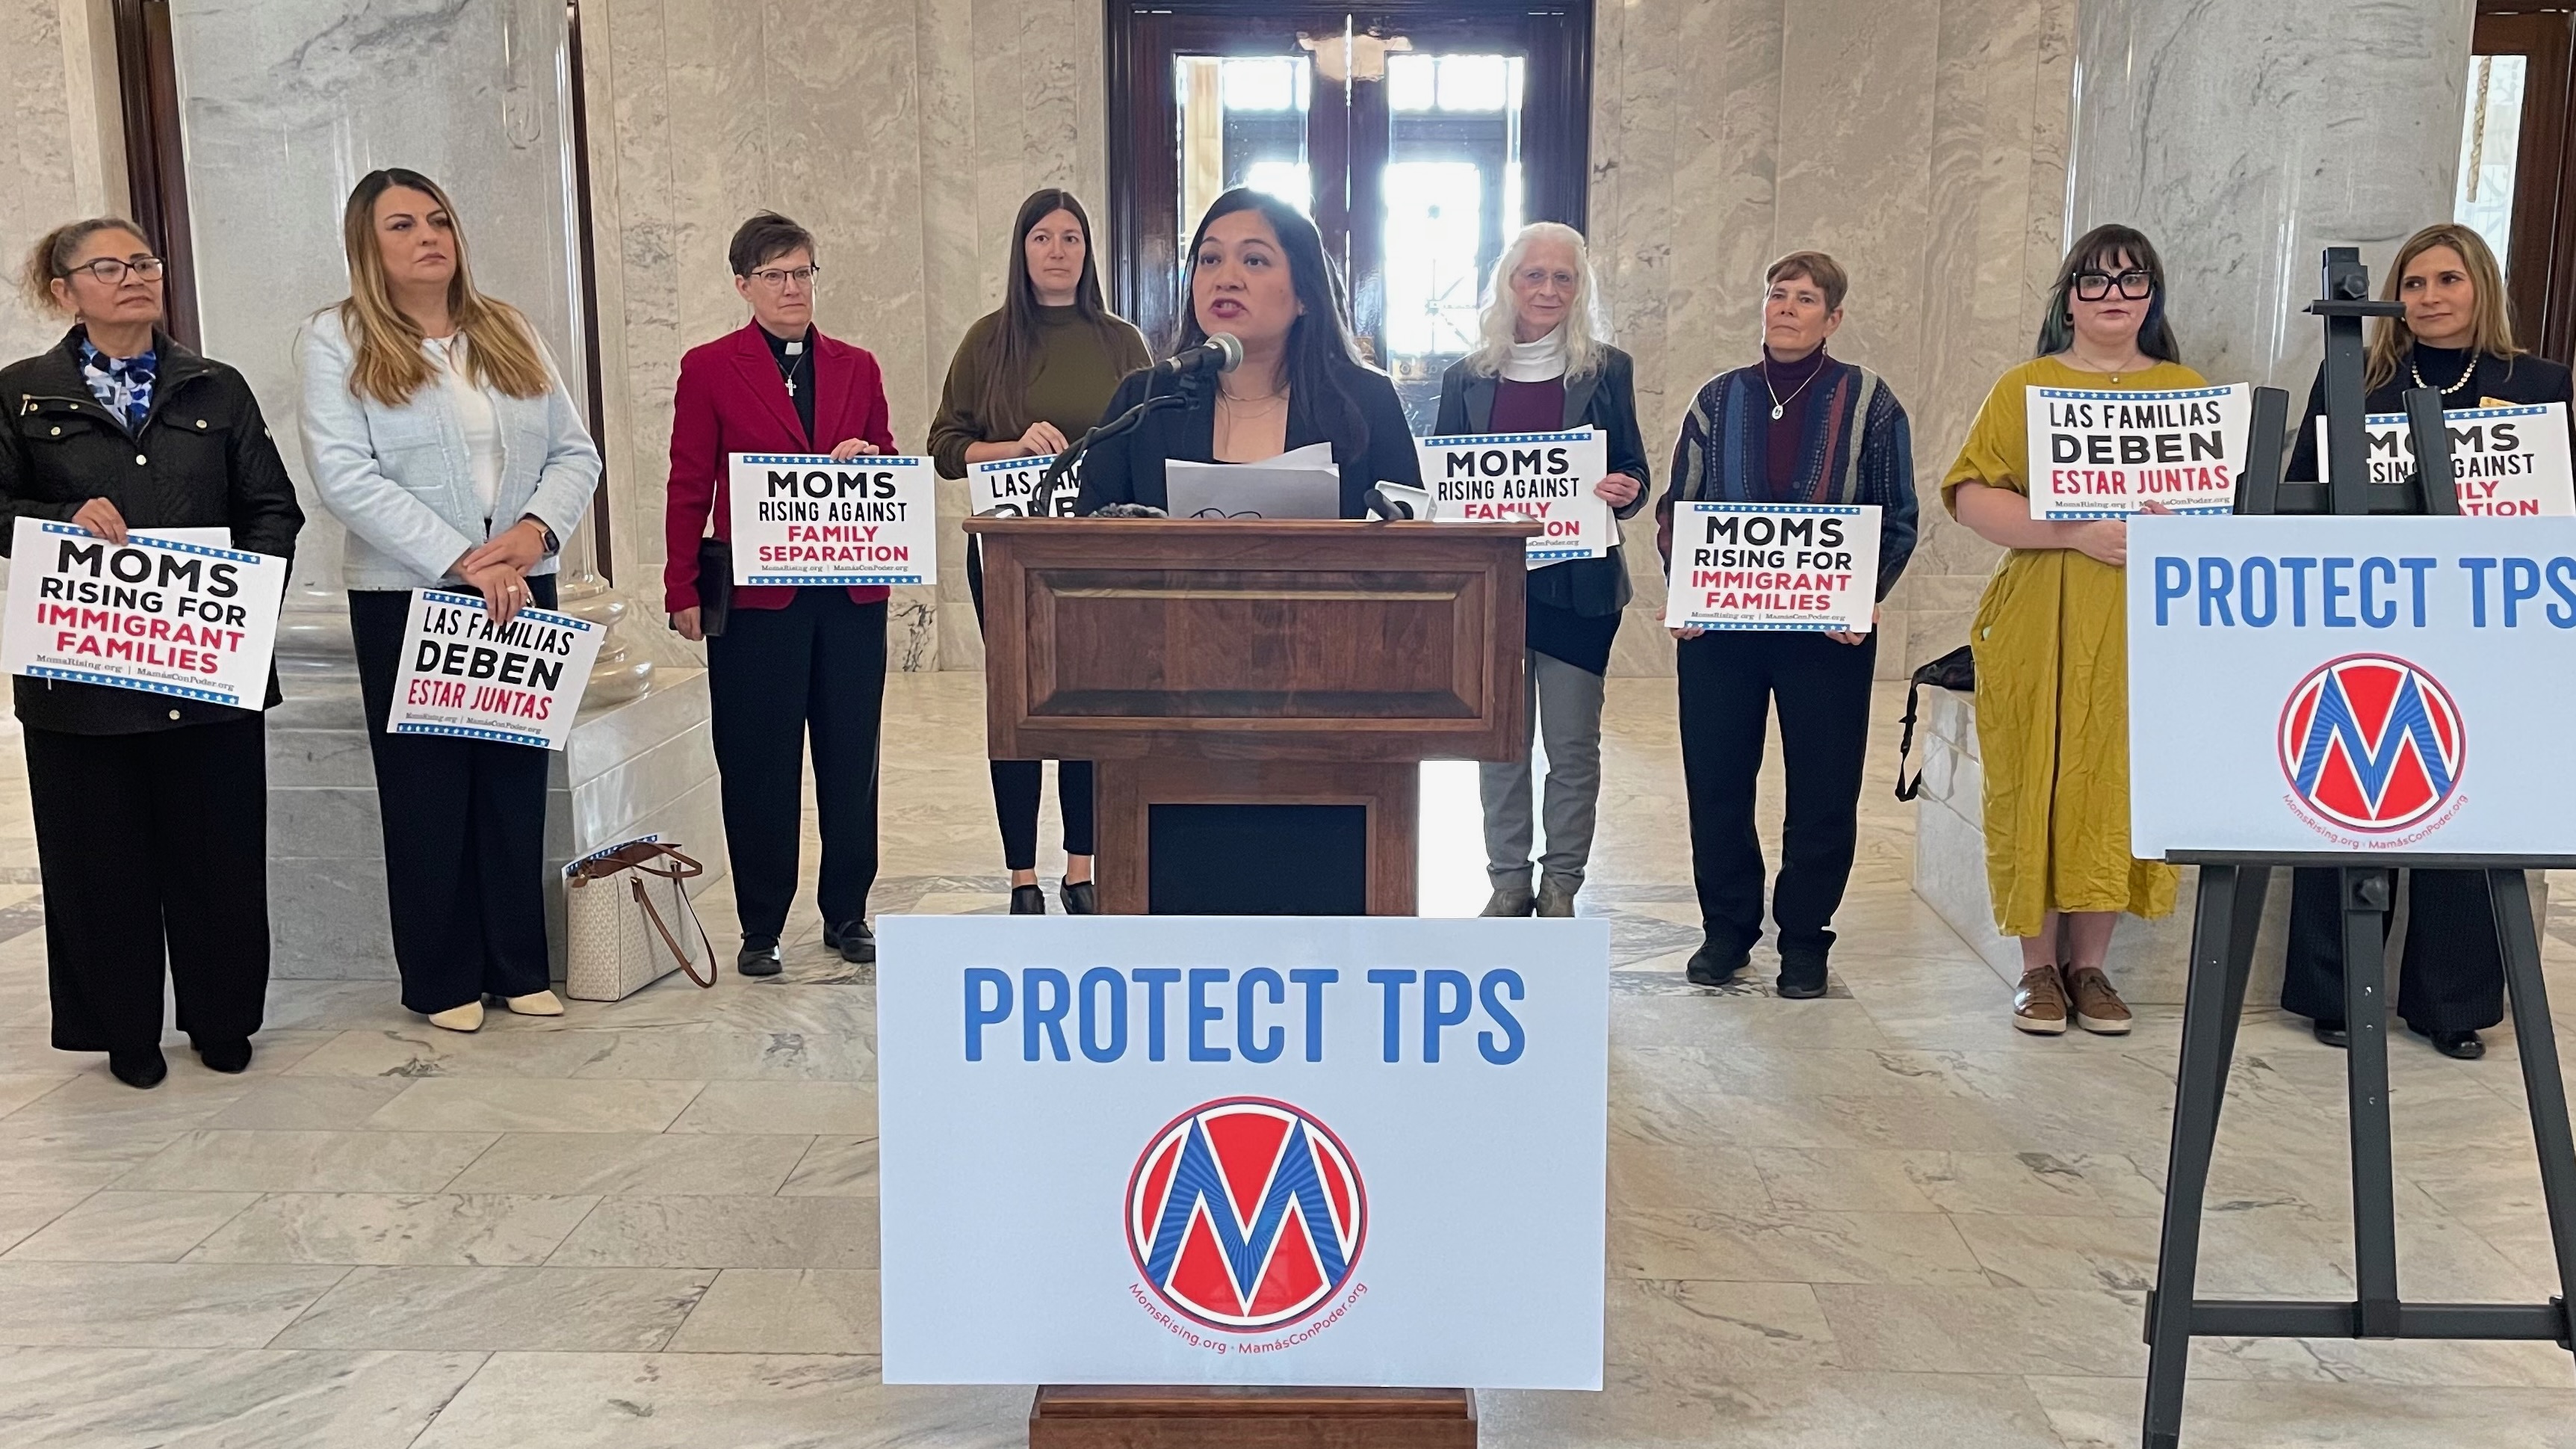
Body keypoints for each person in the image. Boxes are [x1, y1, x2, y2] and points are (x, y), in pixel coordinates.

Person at [0, 218, 303, 1087]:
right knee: (100, 863)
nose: (133, 277)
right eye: (108, 266)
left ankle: (222, 1020)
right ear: (64, 291)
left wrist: (245, 607)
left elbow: (272, 508)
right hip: (82, 679)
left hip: (206, 666)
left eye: (144, 262)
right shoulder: (20, 394)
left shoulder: (217, 385)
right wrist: (55, 524)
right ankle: (124, 1030)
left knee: (219, 854)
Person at [300, 169, 599, 1033]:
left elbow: (575, 453)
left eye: (439, 219)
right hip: (409, 592)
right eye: (402, 225)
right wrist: (463, 559)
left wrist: (536, 534)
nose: (428, 236)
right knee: (428, 794)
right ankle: (442, 980)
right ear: (368, 244)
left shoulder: (506, 328)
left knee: (513, 783)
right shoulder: (334, 338)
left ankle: (518, 964)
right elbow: (343, 476)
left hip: (521, 585)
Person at [2279, 222, 2568, 1060]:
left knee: (2468, 806)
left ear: (2480, 285)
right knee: (2343, 799)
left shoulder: (2539, 384)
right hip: (2366, 619)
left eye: (2447, 279)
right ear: (2391, 299)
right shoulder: (2351, 382)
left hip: (2488, 628)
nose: (2430, 297)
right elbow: (2298, 496)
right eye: (2413, 284)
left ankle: (2451, 1005)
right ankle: (2331, 992)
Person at [1943, 223, 2196, 1037]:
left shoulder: (2186, 389)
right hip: (2042, 610)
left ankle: (2090, 967)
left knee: (2113, 779)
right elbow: (1971, 495)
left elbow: (2218, 511)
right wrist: (2075, 530)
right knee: (2038, 777)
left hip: (2142, 623)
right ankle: (2035, 971)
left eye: (2129, 281)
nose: (2112, 296)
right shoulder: (2025, 388)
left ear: (2151, 294)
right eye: (2093, 281)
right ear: (2068, 299)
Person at [1655, 251, 1918, 996]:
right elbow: (1679, 508)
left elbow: (1895, 515)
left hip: (1826, 637)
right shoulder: (1717, 399)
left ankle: (1804, 937)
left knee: (1824, 789)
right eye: (1777, 294)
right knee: (1716, 783)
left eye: (1806, 299)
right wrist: (1687, 592)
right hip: (1719, 637)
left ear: (1832, 318)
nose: (1787, 308)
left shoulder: (1870, 402)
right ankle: (1726, 930)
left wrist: (1862, 593)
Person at [665, 211, 894, 974]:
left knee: (850, 758)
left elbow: (889, 463)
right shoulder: (708, 367)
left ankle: (848, 912)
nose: (792, 287)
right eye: (775, 275)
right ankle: (760, 925)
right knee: (758, 761)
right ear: (743, 285)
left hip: (848, 596)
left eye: (802, 272)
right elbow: (689, 481)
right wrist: (680, 584)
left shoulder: (857, 366)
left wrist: (866, 458)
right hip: (757, 600)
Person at [930, 189, 1150, 915]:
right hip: (1008, 557)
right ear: (1021, 250)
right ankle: (1022, 876)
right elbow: (944, 446)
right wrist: (1011, 446)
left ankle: (1079, 868)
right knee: (1017, 711)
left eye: (1072, 239)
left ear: (1088, 254)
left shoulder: (1122, 342)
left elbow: (1146, 440)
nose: (1058, 251)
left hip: (1095, 561)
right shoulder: (986, 341)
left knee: (1088, 710)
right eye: (1042, 238)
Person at [1431, 223, 1649, 921]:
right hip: (1493, 592)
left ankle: (1561, 886)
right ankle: (1508, 881)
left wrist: (1627, 488)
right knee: (1500, 749)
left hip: (1578, 590)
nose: (1548, 290)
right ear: (1509, 282)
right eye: (1535, 275)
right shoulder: (1465, 378)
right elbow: (1444, 481)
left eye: (1564, 278)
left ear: (1579, 289)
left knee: (1572, 746)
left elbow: (1636, 469)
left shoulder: (1607, 370)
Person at [1076, 188, 1421, 517]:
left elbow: (1417, 550)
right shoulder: (1145, 400)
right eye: (1210, 259)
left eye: (1254, 261)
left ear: (1305, 295)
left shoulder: (1366, 402)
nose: (1226, 279)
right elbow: (1085, 545)